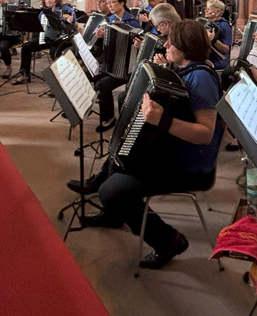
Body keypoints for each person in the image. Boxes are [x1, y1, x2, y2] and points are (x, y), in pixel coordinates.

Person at [68, 20, 223, 269]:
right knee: (120, 153)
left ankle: (168, 241)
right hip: (169, 150)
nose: (166, 45)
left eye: (172, 42)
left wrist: (162, 120)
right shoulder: (185, 68)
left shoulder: (201, 78)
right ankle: (113, 213)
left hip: (188, 166)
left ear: (186, 47)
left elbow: (205, 134)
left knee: (112, 191)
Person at [93, 0, 141, 132]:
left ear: (122, 3)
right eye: (107, 3)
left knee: (102, 85)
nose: (109, 6)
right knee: (96, 78)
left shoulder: (132, 23)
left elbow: (138, 48)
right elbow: (107, 45)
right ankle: (106, 114)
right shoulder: (110, 20)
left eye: (112, 3)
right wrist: (101, 36)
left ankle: (109, 118)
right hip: (111, 62)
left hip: (126, 67)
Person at [11, 0, 75, 85]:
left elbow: (73, 21)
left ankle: (60, 79)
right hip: (46, 38)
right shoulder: (43, 13)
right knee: (26, 47)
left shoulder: (65, 9)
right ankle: (24, 74)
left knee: (55, 52)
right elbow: (40, 27)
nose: (48, 1)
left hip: (61, 39)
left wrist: (70, 19)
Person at [203, 0, 232, 70]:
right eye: (206, 8)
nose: (206, 11)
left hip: (218, 61)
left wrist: (213, 39)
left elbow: (225, 49)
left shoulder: (224, 26)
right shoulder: (205, 22)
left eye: (209, 9)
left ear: (217, 13)